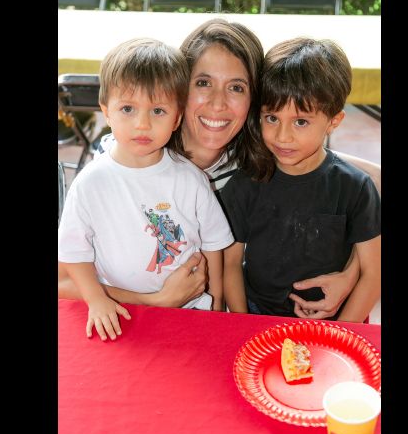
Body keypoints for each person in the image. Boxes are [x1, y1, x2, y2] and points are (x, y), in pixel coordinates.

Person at [59, 19, 381, 319]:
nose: (218, 104)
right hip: (129, 317)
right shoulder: (124, 159)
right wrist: (156, 300)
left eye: (236, 87)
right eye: (203, 83)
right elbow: (64, 281)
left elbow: (339, 177)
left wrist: (352, 273)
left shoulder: (255, 158)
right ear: (177, 90)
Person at [58, 38, 234, 341]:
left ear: (177, 117)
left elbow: (213, 245)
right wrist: (97, 299)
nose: (142, 124)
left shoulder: (191, 179)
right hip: (121, 313)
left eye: (158, 111)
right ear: (106, 111)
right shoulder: (90, 183)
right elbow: (73, 252)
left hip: (190, 310)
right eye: (128, 108)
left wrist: (216, 305)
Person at [221, 38, 381, 322]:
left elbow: (373, 273)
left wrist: (339, 334)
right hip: (258, 317)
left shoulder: (355, 188)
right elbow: (231, 263)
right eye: (272, 118)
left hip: (334, 321)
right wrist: (243, 324)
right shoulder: (244, 184)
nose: (283, 136)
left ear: (333, 121)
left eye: (301, 122)